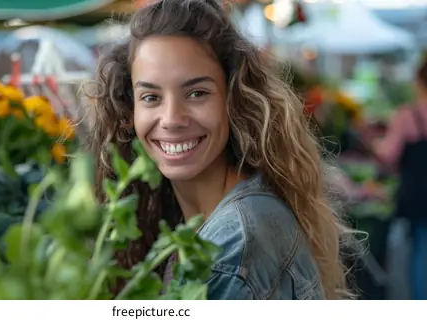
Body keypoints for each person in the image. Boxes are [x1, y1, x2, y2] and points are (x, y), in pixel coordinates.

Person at [83, 0, 353, 300]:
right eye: (150, 97)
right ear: (128, 109)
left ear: (234, 99)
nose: (172, 119)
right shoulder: (218, 219)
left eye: (197, 93)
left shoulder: (234, 245)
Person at [372, 51, 427, 300]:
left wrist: (373, 143)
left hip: (413, 193)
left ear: (418, 81)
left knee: (417, 252)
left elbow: (388, 155)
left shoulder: (406, 116)